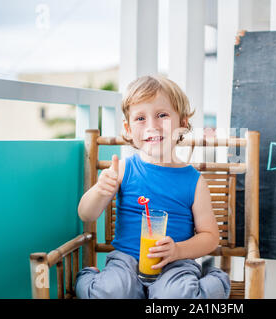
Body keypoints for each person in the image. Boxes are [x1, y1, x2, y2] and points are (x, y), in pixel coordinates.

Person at [75, 75, 230, 299]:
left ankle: (215, 279)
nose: (152, 126)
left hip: (175, 263)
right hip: (126, 262)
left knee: (178, 296)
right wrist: (100, 190)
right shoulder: (123, 170)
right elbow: (86, 214)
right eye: (140, 118)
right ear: (128, 129)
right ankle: (88, 277)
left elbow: (209, 236)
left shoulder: (194, 181)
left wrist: (178, 250)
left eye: (162, 115)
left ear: (183, 123)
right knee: (113, 292)